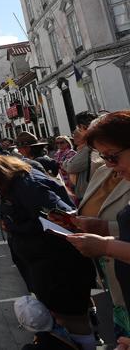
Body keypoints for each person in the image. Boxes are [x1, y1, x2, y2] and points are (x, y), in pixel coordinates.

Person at [0, 154, 96, 349]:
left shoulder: (28, 186)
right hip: (43, 262)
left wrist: (14, 227)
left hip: (58, 263)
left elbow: (60, 217)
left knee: (72, 318)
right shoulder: (10, 184)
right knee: (63, 315)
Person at [62, 111, 130, 339]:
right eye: (103, 156)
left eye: (112, 156)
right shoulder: (104, 170)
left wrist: (105, 243)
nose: (110, 164)